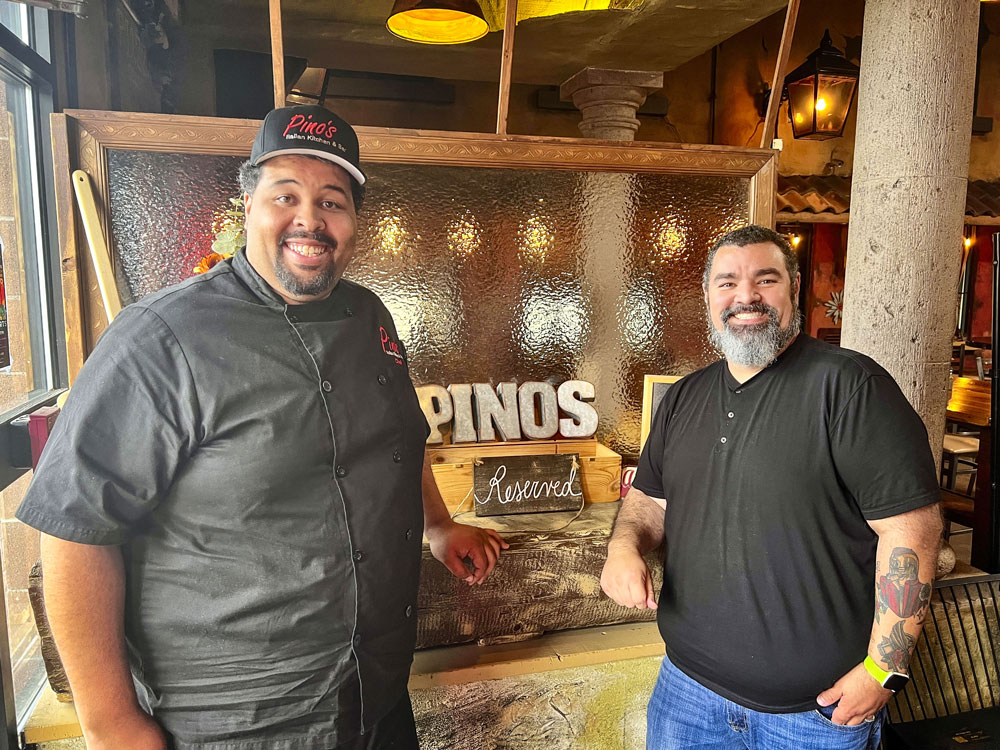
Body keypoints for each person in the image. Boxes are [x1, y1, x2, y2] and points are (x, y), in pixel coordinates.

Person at [17, 104, 507, 750]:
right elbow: (75, 530)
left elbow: (398, 435)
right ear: (247, 203)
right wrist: (111, 725)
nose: (310, 218)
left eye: (332, 200)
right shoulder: (159, 340)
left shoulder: (370, 319)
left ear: (354, 222)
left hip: (378, 709)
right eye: (286, 195)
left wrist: (439, 527)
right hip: (239, 729)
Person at [601, 224, 942, 750]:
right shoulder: (683, 398)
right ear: (708, 297)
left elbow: (912, 530)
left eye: (766, 279)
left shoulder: (852, 389)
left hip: (814, 715)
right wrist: (623, 548)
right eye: (727, 282)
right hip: (687, 693)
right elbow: (650, 498)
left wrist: (883, 669)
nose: (746, 296)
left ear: (794, 287)